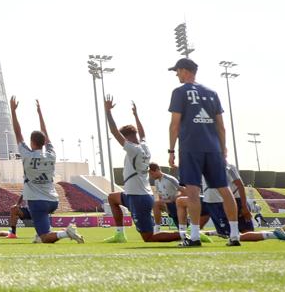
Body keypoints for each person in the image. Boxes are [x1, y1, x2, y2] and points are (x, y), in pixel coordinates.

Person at [167, 58, 241, 246]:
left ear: (185, 70)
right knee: (224, 189)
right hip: (213, 148)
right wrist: (223, 148)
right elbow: (221, 126)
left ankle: (194, 236)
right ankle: (234, 235)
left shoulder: (179, 92)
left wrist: (171, 150)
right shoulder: (212, 93)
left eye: (177, 71)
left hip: (191, 147)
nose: (176, 75)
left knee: (192, 191)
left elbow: (174, 125)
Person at [102, 98, 179, 243]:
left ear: (127, 137)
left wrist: (108, 112)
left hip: (138, 197)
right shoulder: (144, 146)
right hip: (137, 194)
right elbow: (142, 134)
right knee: (112, 198)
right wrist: (136, 115)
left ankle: (187, 234)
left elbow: (114, 131)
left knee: (148, 237)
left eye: (124, 138)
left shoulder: (133, 149)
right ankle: (119, 235)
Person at [11, 97, 83, 244]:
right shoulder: (51, 154)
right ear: (44, 142)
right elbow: (46, 135)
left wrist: (13, 111)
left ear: (31, 142)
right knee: (40, 229)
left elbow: (18, 133)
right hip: (53, 201)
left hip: (37, 202)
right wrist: (40, 114)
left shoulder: (27, 155)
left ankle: (65, 233)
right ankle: (41, 232)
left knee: (45, 237)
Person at [149, 163, 182, 232]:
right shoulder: (156, 181)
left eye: (152, 173)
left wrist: (172, 199)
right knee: (156, 204)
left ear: (157, 170)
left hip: (177, 205)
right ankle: (157, 230)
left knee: (183, 229)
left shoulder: (170, 179)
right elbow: (160, 196)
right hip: (168, 206)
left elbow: (183, 192)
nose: (151, 176)